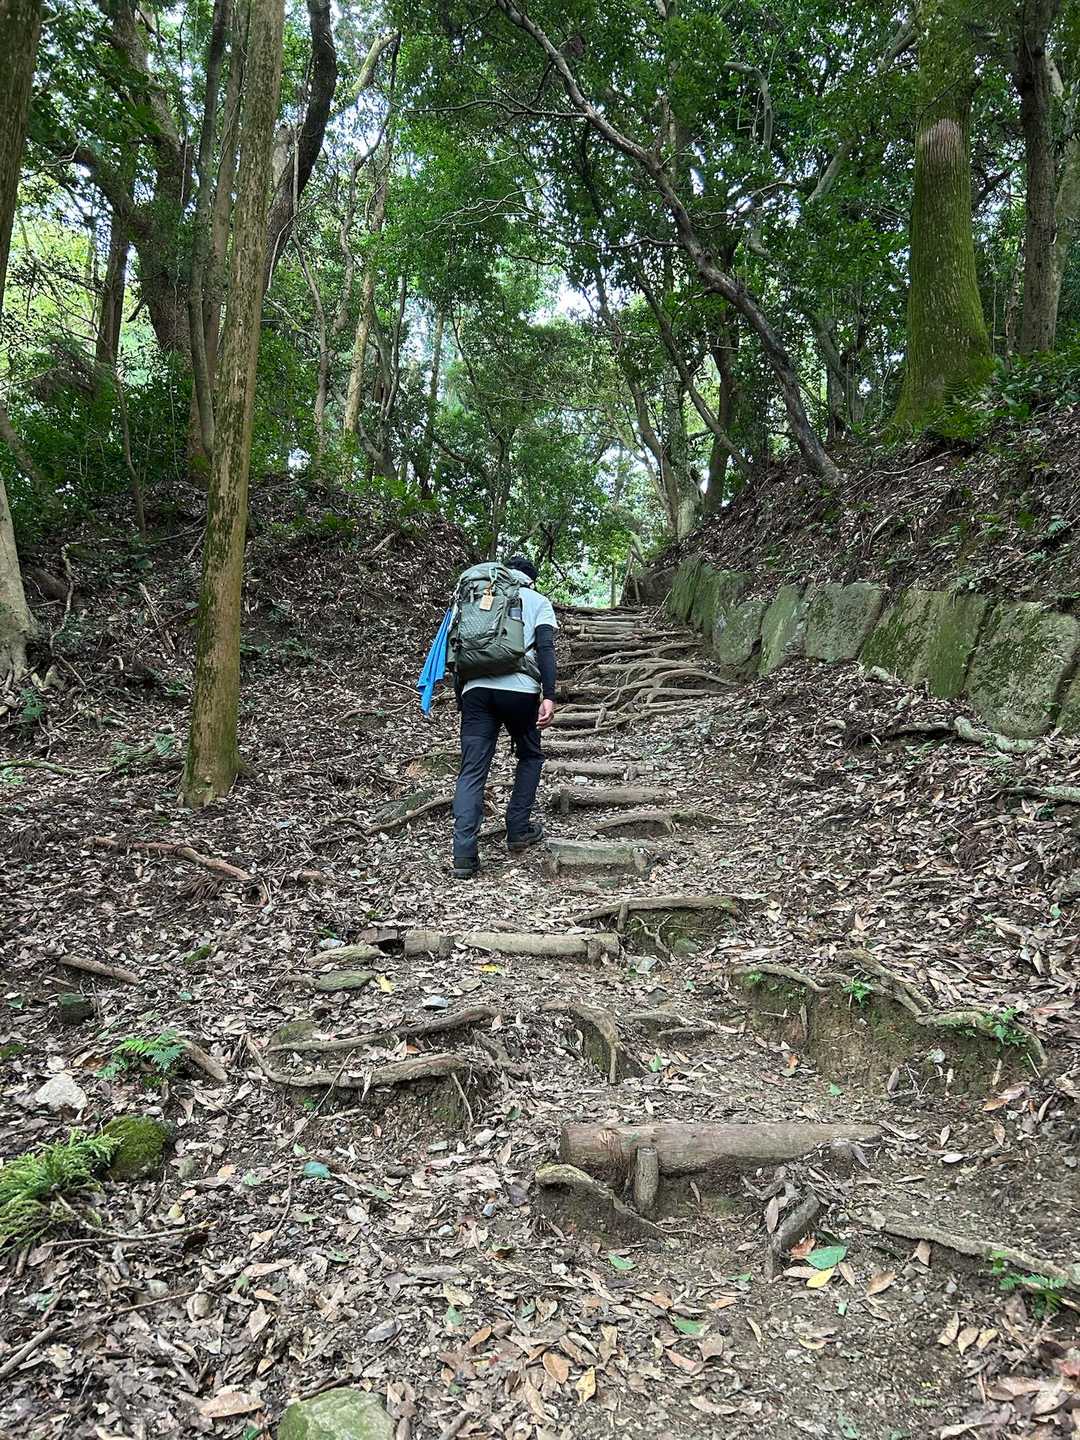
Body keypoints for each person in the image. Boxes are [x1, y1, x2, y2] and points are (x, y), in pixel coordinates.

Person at [451, 554, 557, 879]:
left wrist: (461, 697)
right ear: (531, 580)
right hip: (520, 690)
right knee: (530, 755)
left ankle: (463, 856)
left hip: (475, 691)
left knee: (471, 771)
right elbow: (545, 648)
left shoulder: (471, 595)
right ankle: (518, 829)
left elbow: (456, 648)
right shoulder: (537, 600)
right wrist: (549, 695)